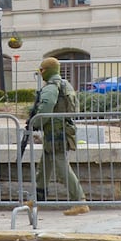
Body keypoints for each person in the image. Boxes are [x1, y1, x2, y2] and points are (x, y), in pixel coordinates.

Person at [32, 56, 89, 216]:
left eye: (41, 70)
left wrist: (35, 123)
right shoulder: (66, 85)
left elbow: (46, 108)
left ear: (47, 71)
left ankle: (80, 201)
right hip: (62, 129)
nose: (40, 73)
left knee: (61, 166)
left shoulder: (51, 87)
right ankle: (37, 198)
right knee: (45, 166)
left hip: (56, 132)